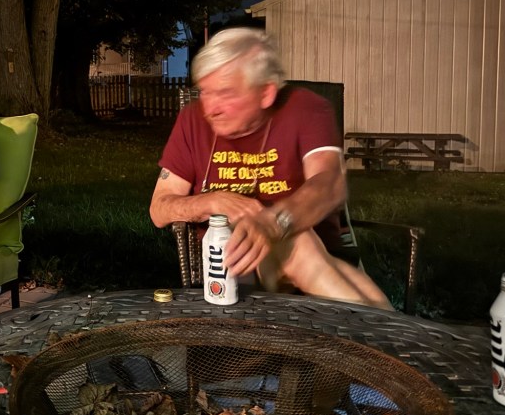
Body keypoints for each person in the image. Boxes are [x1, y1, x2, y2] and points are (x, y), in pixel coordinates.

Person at [149, 26, 393, 310]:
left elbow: (329, 183)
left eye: (225, 93)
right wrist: (213, 201)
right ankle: (390, 330)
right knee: (298, 245)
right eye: (205, 92)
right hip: (231, 262)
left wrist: (275, 223)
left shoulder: (305, 108)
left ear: (265, 93)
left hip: (311, 252)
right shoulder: (193, 121)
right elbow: (159, 209)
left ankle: (384, 330)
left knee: (296, 241)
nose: (210, 108)